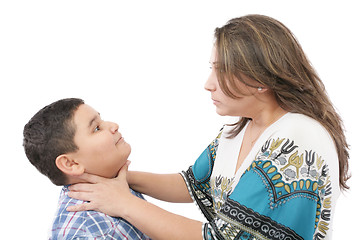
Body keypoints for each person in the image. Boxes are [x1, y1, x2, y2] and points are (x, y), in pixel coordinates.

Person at [66, 14, 350, 240]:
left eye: (221, 70)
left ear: (261, 79)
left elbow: (220, 238)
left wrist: (124, 204)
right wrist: (118, 179)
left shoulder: (297, 140)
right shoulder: (235, 132)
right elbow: (191, 184)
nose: (208, 83)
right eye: (211, 68)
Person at [23, 98, 151, 240]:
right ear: (71, 163)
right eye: (97, 128)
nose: (114, 125)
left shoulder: (115, 186)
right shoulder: (87, 233)